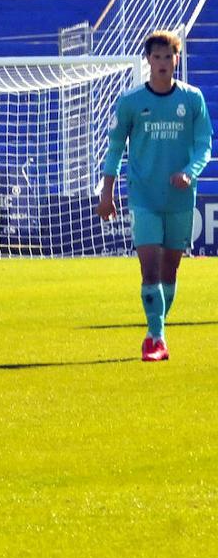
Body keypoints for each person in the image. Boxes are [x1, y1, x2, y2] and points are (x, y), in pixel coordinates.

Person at [98, 29, 213, 362]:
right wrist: (106, 192)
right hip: (143, 196)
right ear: (147, 60)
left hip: (180, 197)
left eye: (169, 56)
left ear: (177, 59)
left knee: (170, 273)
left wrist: (190, 171)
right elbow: (116, 147)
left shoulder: (192, 99)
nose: (163, 63)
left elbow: (204, 144)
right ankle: (156, 337)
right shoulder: (132, 102)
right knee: (149, 270)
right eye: (157, 56)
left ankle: (157, 326)